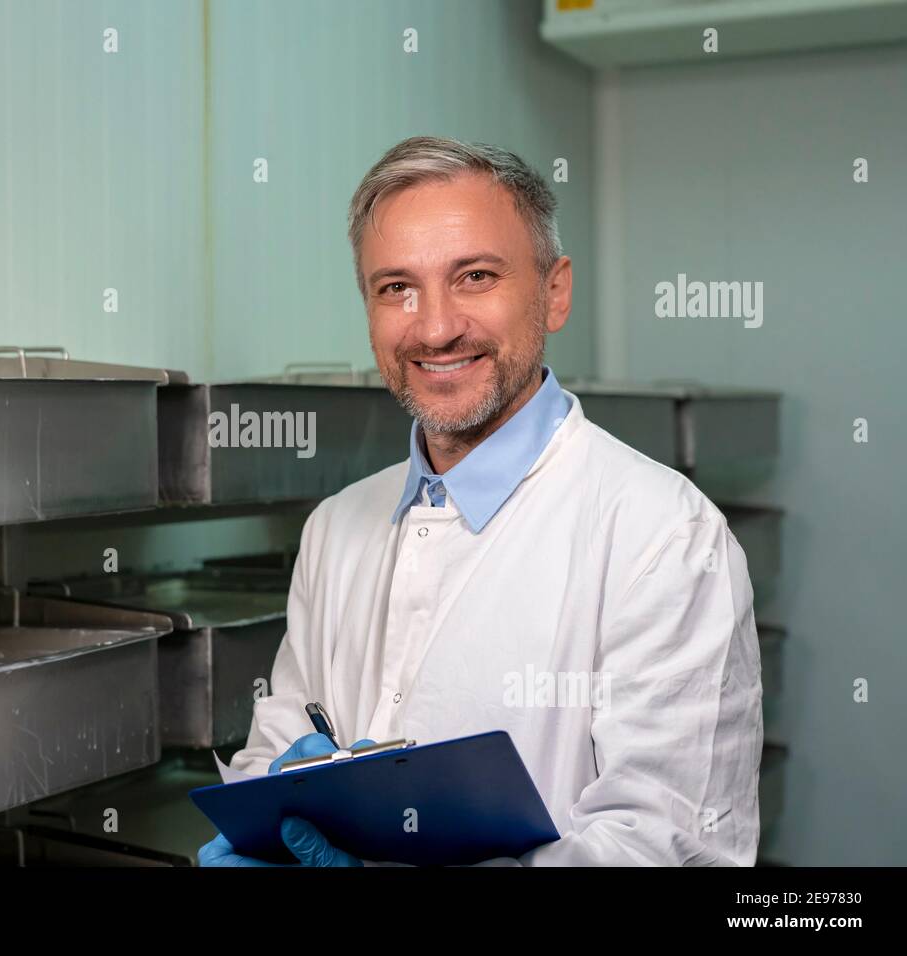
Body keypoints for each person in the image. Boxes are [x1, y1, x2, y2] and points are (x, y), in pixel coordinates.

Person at [199, 136, 763, 867]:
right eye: (396, 287)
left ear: (554, 292)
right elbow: (277, 748)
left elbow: (668, 846)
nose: (434, 327)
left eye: (474, 276)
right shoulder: (336, 527)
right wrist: (264, 824)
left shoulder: (663, 538)